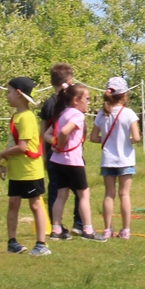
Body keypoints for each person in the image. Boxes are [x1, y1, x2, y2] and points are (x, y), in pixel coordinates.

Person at [0, 77, 50, 256]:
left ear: (19, 94)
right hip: (16, 171)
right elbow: (12, 142)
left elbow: (22, 147)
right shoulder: (16, 117)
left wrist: (2, 154)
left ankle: (41, 244)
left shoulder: (27, 117)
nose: (7, 96)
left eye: (9, 92)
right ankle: (12, 242)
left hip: (30, 171)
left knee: (35, 205)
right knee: (13, 204)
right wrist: (5, 164)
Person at [48, 82, 101, 240]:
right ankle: (88, 230)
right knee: (84, 194)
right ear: (76, 100)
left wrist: (56, 145)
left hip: (58, 161)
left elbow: (49, 133)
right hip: (72, 161)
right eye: (87, 99)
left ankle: (56, 229)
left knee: (61, 195)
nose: (89, 102)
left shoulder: (63, 113)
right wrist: (60, 145)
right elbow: (65, 131)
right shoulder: (78, 115)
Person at [91, 76, 141, 239]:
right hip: (125, 159)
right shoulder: (129, 113)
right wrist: (126, 141)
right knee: (124, 194)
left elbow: (93, 137)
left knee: (109, 194)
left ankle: (107, 229)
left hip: (108, 159)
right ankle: (125, 230)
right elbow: (137, 137)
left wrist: (107, 139)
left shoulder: (102, 114)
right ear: (124, 95)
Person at [40, 63, 84, 239]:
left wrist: (45, 154)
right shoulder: (73, 104)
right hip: (72, 155)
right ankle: (79, 223)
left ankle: (55, 226)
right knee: (81, 190)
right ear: (70, 81)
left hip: (53, 154)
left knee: (56, 191)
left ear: (51, 82)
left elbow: (43, 132)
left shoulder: (48, 104)